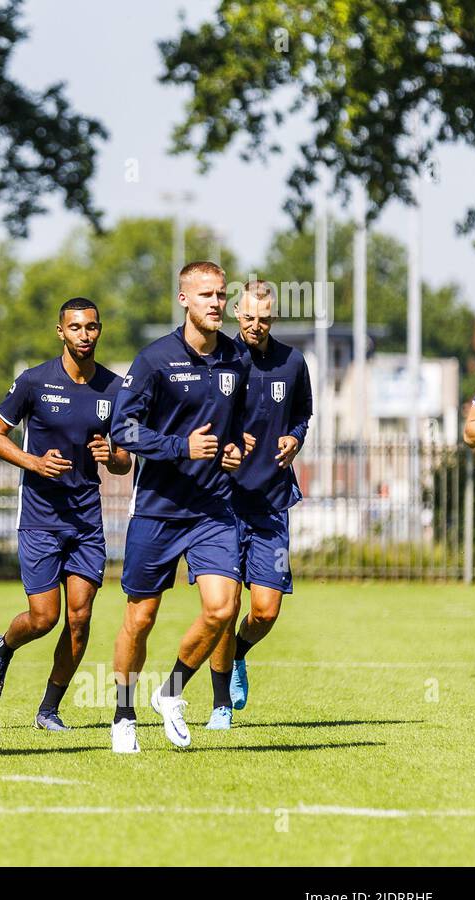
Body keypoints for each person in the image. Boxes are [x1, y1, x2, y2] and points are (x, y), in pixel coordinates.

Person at [108, 260, 250, 754]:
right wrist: (178, 447)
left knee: (222, 609)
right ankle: (123, 715)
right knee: (140, 618)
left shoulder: (237, 358)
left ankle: (171, 694)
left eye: (221, 294)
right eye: (206, 294)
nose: (216, 303)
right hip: (159, 509)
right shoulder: (153, 360)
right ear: (184, 299)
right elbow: (122, 431)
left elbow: (236, 432)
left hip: (214, 509)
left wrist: (236, 450)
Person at [0, 297, 131, 729]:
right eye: (76, 327)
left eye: (92, 327)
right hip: (42, 518)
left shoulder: (115, 389)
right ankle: (3, 647)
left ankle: (49, 709)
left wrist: (111, 456)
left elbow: (125, 461)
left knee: (80, 620)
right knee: (45, 618)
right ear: (61, 332)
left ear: (99, 330)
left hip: (86, 520)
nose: (85, 335)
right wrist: (35, 463)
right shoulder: (34, 382)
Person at [206, 280, 312, 726]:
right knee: (224, 609)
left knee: (265, 610)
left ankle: (240, 655)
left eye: (263, 319)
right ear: (235, 313)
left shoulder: (293, 362)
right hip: (224, 504)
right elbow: (203, 421)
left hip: (271, 503)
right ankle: (219, 706)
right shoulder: (220, 361)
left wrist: (295, 438)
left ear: (274, 318)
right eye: (247, 317)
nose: (255, 325)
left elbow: (304, 415)